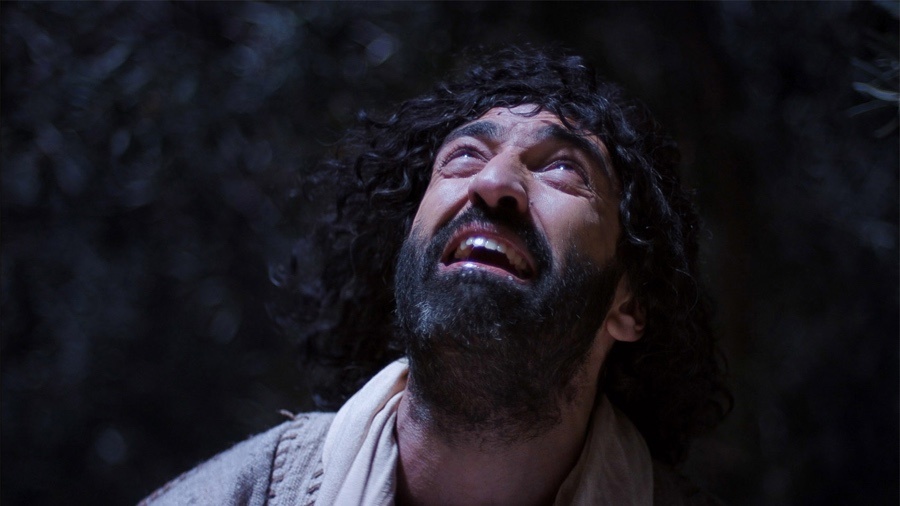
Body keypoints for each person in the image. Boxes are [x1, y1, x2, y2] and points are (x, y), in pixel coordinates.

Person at [141, 46, 730, 506]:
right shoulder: (238, 494)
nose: (492, 183)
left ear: (630, 303)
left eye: (561, 168)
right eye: (464, 156)